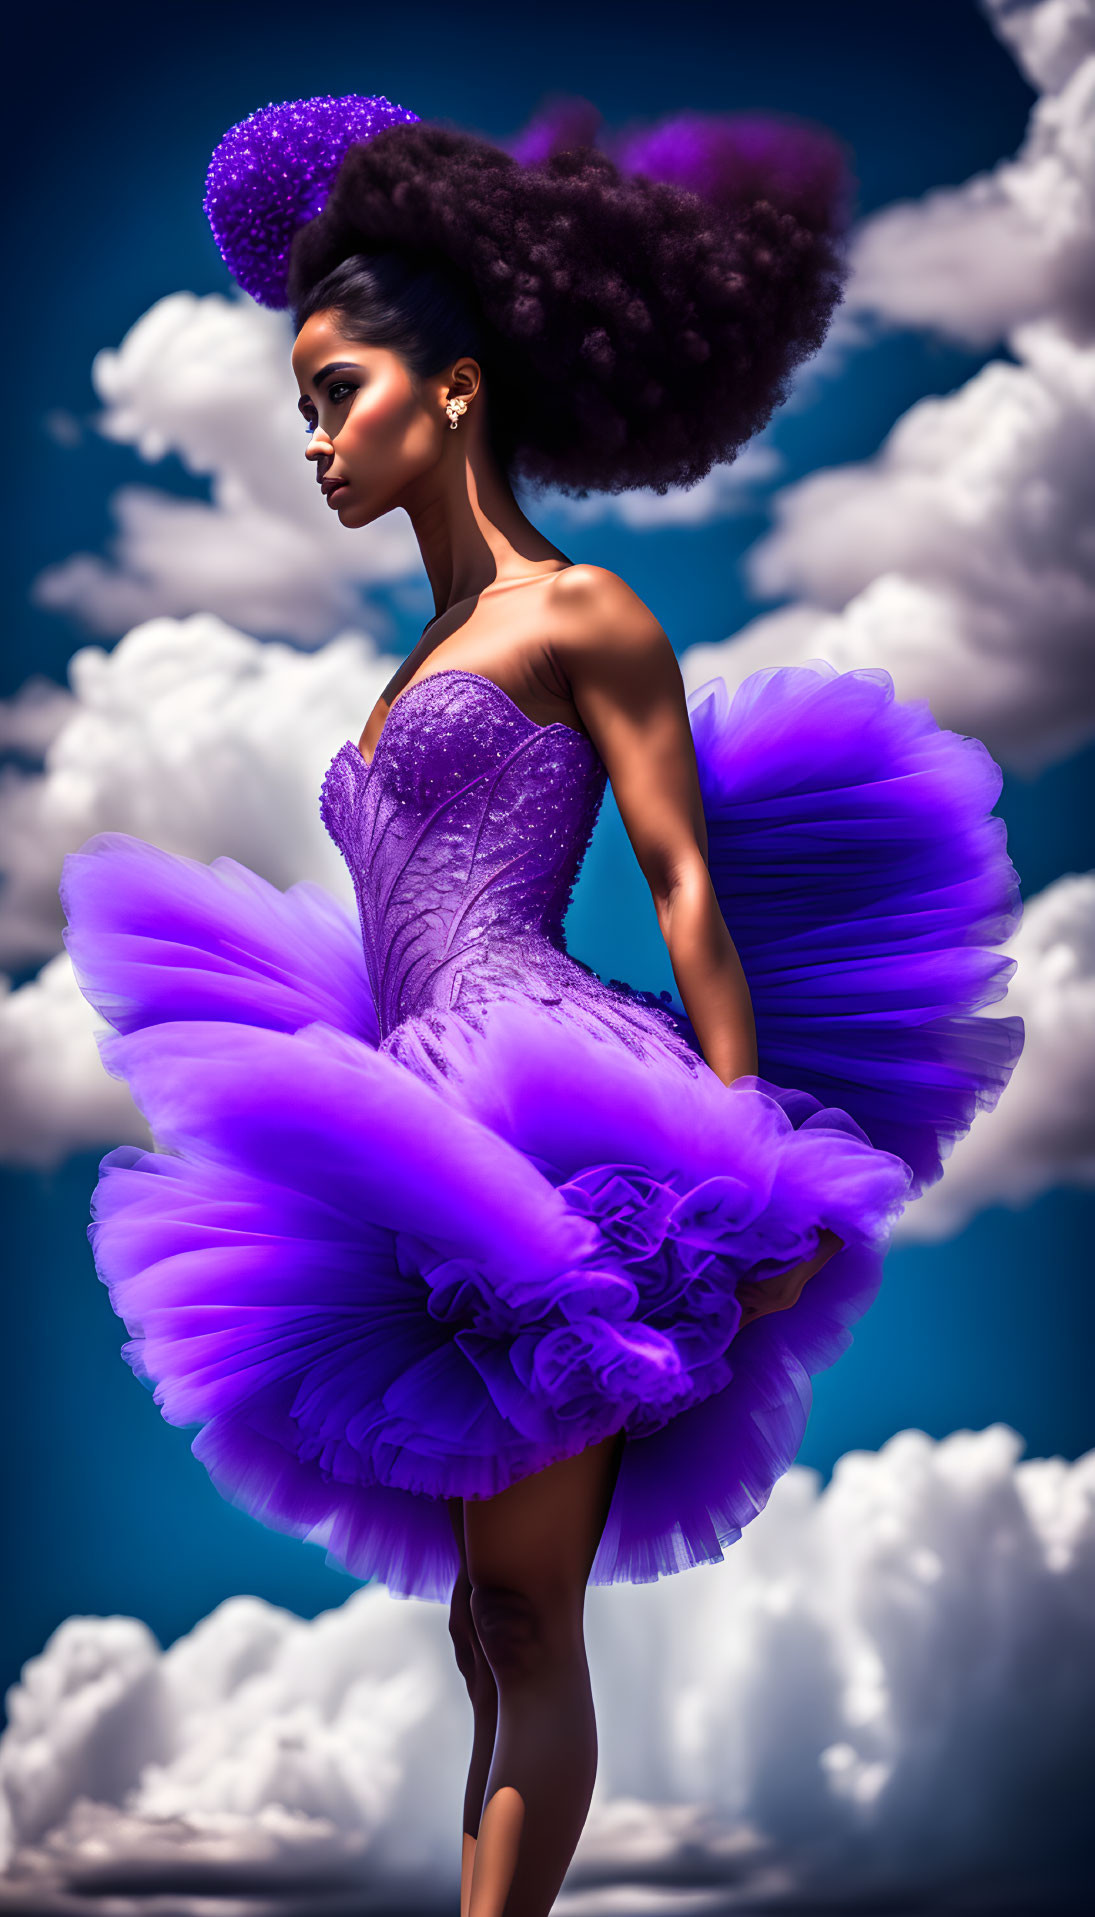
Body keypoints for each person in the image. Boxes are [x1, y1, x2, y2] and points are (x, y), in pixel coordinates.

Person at [59, 94, 1025, 1917]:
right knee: (475, 1623)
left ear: (457, 392)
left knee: (522, 1602)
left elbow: (681, 885)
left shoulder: (581, 615)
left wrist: (751, 1162)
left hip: (556, 1116)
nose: (318, 440)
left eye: (338, 390)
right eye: (301, 406)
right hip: (413, 1112)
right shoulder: (406, 659)